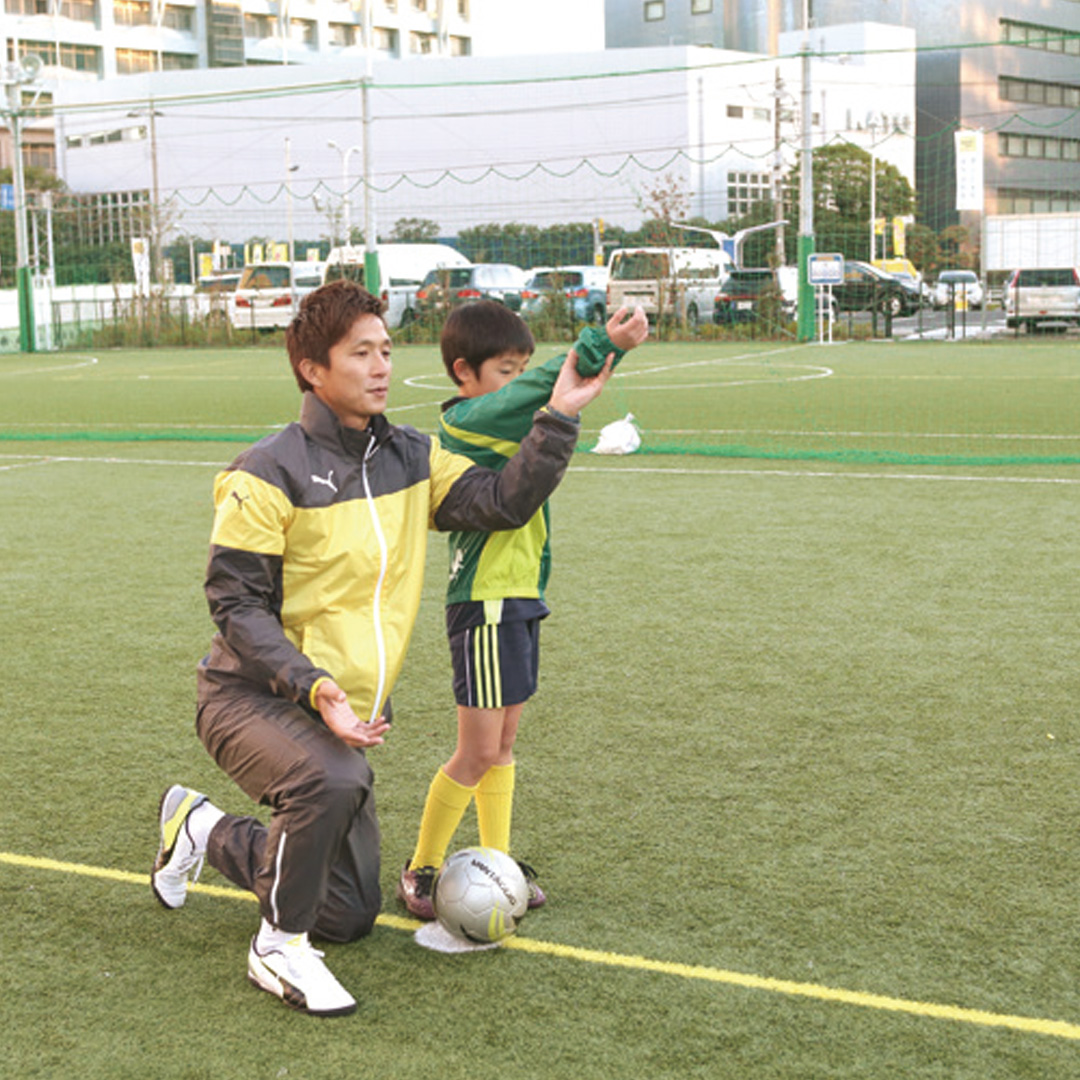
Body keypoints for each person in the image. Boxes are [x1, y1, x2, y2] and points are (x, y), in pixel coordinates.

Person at [151, 280, 618, 1017]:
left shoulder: (413, 457)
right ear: (312, 369)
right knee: (330, 782)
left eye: (387, 350)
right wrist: (315, 687)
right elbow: (235, 604)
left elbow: (502, 502)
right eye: (361, 353)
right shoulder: (264, 472)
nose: (381, 367)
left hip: (339, 714)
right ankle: (277, 946)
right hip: (250, 697)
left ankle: (200, 827)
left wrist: (557, 415)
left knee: (348, 914)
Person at [397, 300, 648, 920]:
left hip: (518, 597)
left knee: (503, 745)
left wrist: (601, 358)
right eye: (504, 370)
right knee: (477, 751)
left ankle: (496, 863)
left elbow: (543, 402)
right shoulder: (465, 420)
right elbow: (532, 395)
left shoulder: (503, 423)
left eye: (520, 368)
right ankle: (422, 867)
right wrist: (600, 346)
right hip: (484, 600)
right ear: (464, 373)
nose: (515, 383)